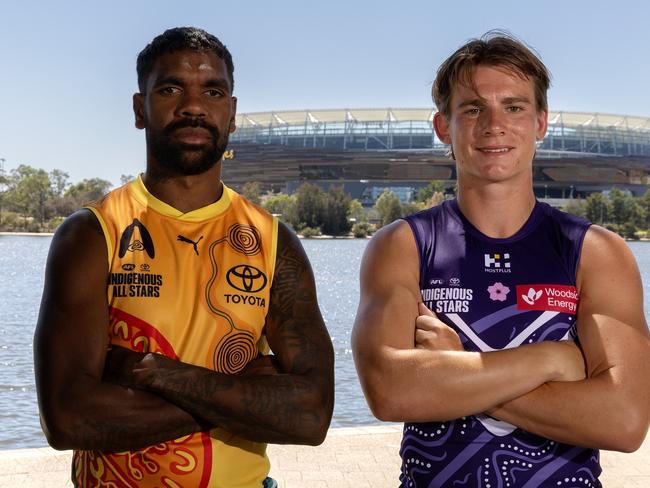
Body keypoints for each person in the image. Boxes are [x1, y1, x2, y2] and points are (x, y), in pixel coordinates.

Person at [34, 27, 334, 488]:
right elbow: (68, 418)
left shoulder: (274, 242)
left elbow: (311, 416)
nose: (193, 106)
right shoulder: (92, 233)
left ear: (231, 114)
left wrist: (163, 376)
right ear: (140, 109)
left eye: (212, 91)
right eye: (171, 88)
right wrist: (244, 392)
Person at [353, 32, 649, 487]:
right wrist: (550, 360)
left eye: (514, 107)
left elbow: (624, 421)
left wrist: (455, 371)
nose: (494, 125)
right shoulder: (404, 245)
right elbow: (390, 392)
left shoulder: (594, 251)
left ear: (541, 123)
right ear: (442, 127)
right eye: (473, 109)